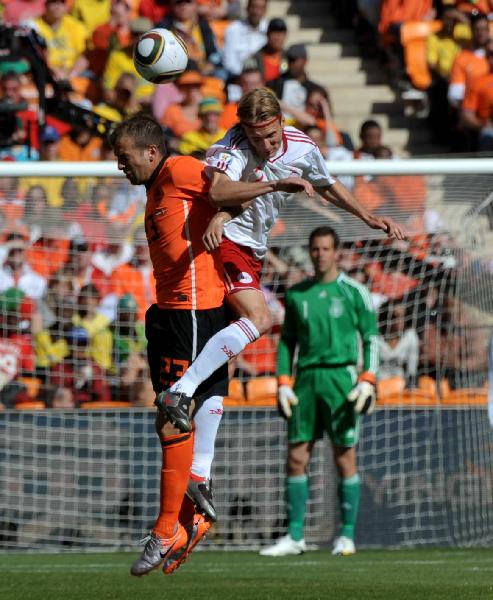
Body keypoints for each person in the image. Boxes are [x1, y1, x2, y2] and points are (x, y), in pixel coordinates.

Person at [157, 87, 404, 435]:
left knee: (223, 368)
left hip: (254, 249)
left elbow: (326, 184)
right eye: (257, 138)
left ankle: (199, 471)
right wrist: (274, 186)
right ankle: (178, 392)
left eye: (270, 136)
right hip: (226, 243)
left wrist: (367, 218)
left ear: (281, 123)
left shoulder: (301, 145)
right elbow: (218, 192)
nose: (265, 145)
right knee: (261, 318)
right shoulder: (235, 144)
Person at [110, 112, 236, 576]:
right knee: (177, 419)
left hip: (193, 309)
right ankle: (190, 519)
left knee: (170, 416)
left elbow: (225, 188)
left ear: (150, 151)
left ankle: (168, 529)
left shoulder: (180, 168)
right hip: (169, 311)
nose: (119, 167)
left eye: (124, 158)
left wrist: (222, 212)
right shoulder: (155, 191)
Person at [259, 226, 379, 557]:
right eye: (315, 248)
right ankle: (294, 535)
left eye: (326, 248)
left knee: (344, 457)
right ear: (310, 252)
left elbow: (371, 338)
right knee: (297, 456)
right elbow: (287, 342)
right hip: (306, 380)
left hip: (342, 379)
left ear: (336, 252)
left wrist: (368, 378)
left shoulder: (355, 292)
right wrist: (283, 380)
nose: (320, 254)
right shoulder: (298, 295)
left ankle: (347, 536)